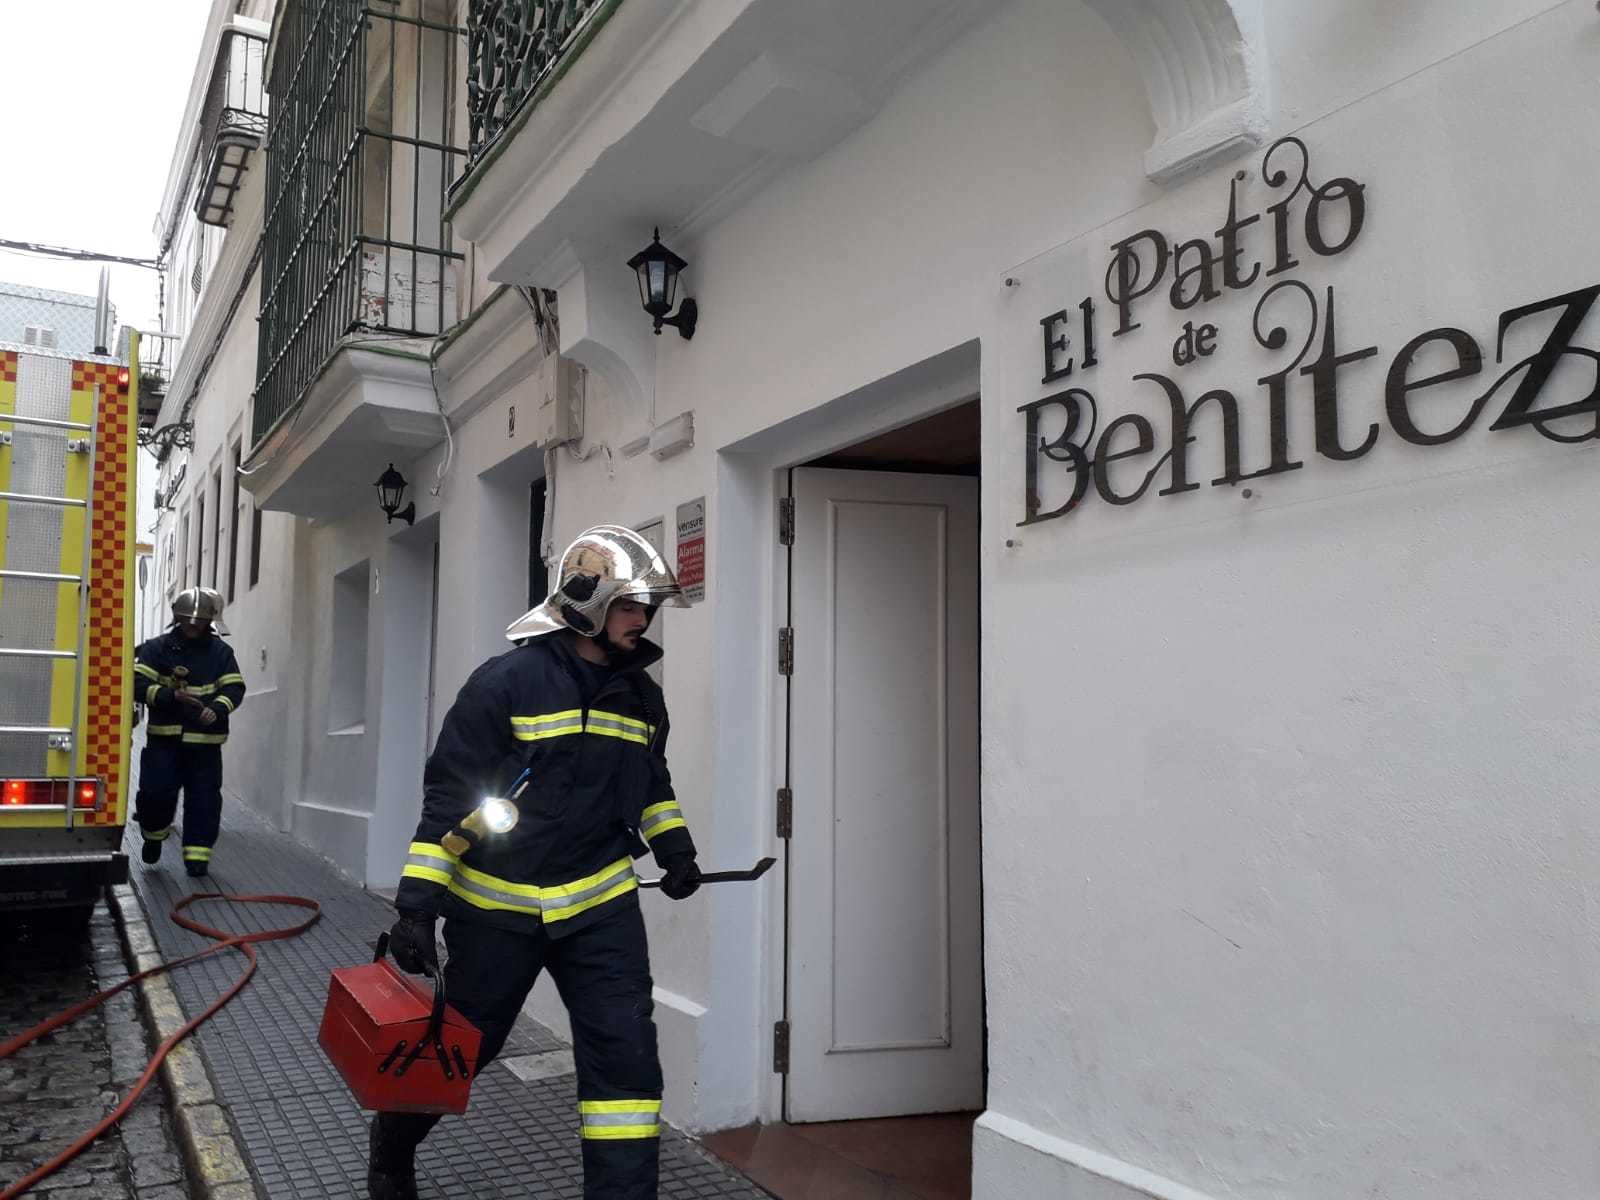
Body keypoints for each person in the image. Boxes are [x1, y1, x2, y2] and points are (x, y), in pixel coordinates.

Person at [370, 525, 701, 1200]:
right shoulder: (505, 683)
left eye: (648, 607)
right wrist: (417, 903)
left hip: (600, 910)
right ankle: (394, 1143)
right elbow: (449, 800)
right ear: (588, 602)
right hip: (497, 910)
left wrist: (676, 849)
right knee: (465, 1050)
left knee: (625, 1069)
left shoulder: (643, 699)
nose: (644, 618)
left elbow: (651, 784)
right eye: (631, 604)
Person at [131, 586, 246, 877]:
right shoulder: (156, 649)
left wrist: (218, 709)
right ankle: (153, 836)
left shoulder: (221, 652)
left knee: (204, 801)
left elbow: (235, 687)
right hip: (164, 740)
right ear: (177, 618)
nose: (193, 625)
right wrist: (170, 696)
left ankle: (198, 857)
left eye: (200, 620)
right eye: (187, 619)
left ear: (210, 621)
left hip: (205, 744)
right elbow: (136, 685)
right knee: (155, 794)